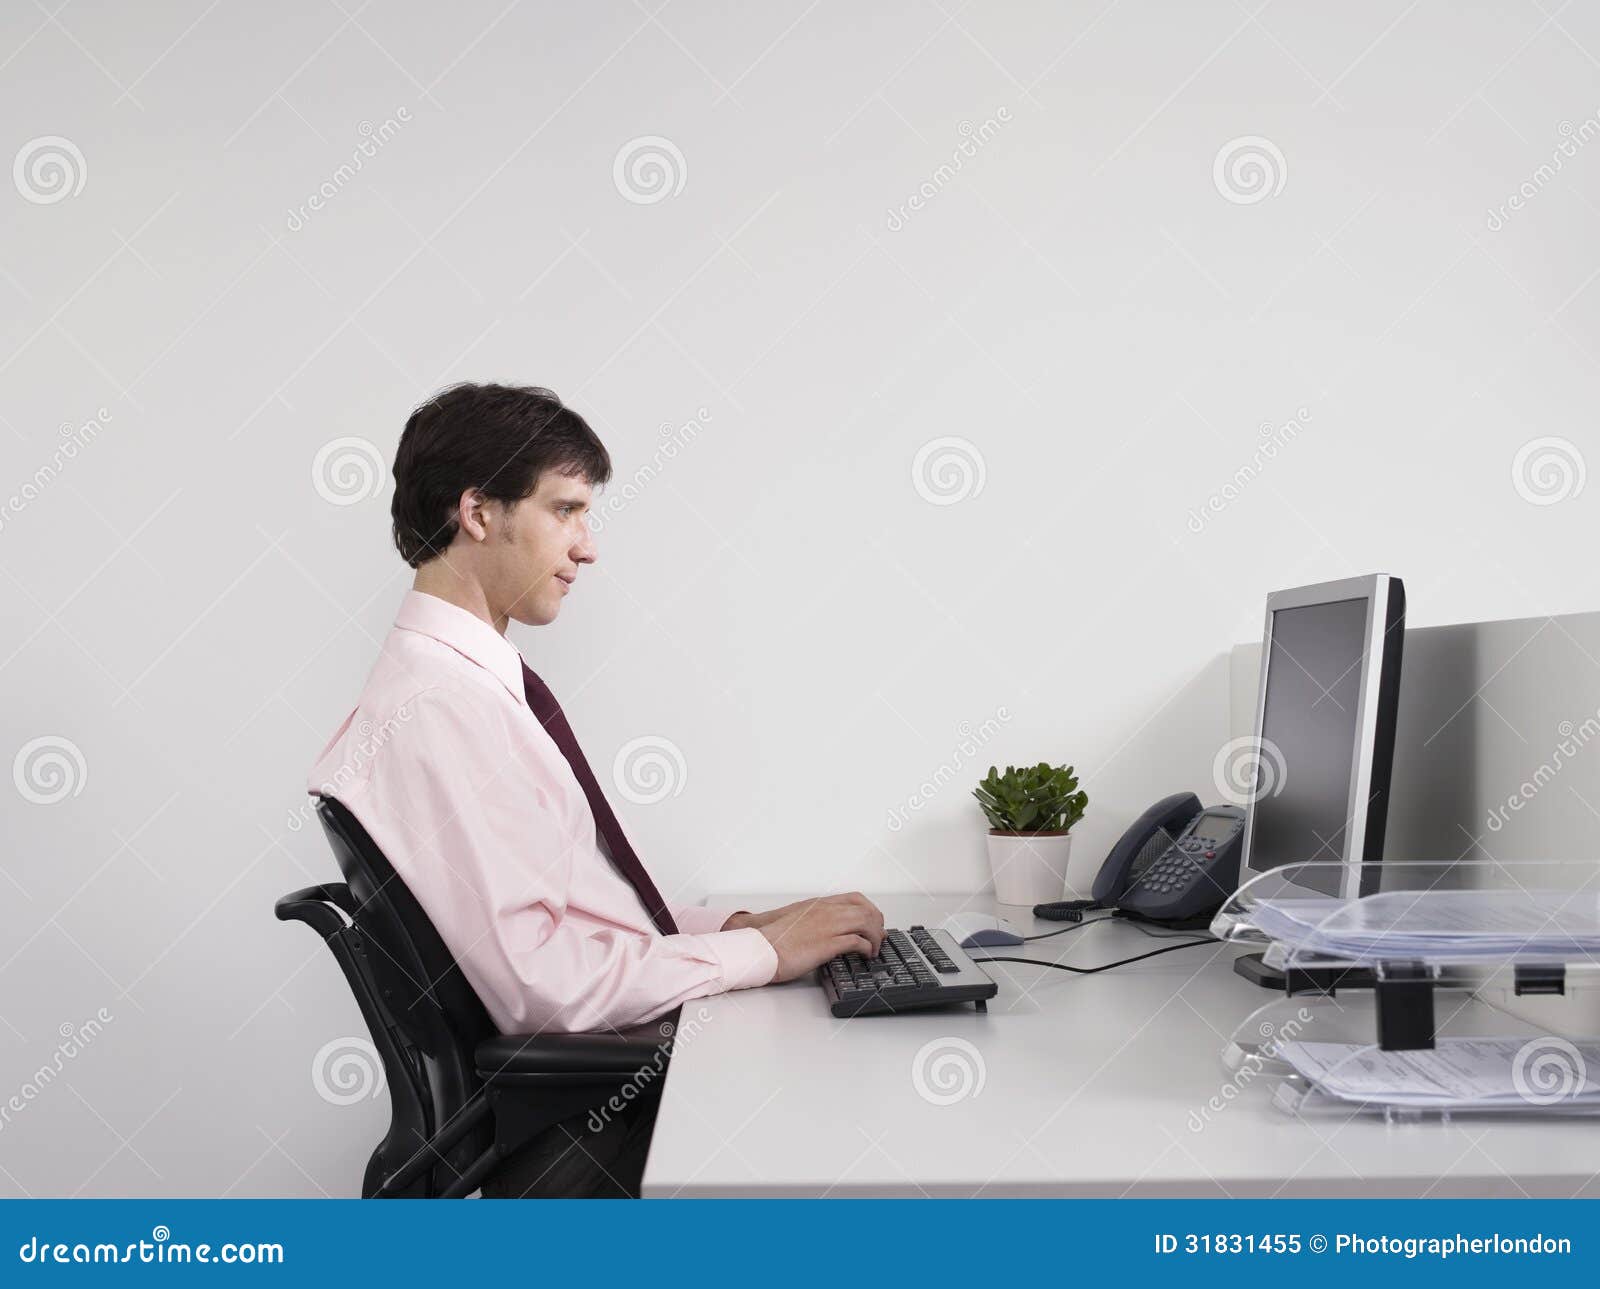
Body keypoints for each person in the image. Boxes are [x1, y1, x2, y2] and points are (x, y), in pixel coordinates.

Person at [306, 382, 885, 1196]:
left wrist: (742, 927)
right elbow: (544, 984)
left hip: (599, 1108)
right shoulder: (438, 709)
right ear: (478, 512)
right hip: (597, 1131)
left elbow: (575, 913)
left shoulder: (465, 689)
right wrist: (762, 954)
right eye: (565, 510)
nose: (588, 546)